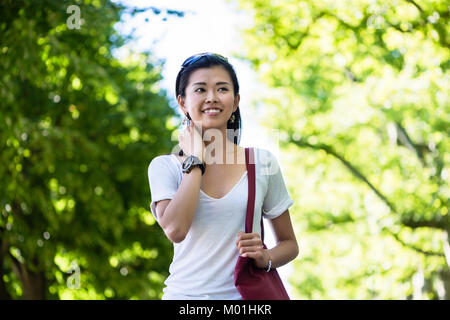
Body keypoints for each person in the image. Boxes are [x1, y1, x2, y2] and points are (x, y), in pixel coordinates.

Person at [148, 52, 299, 300]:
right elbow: (175, 230)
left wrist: (267, 257)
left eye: (222, 89)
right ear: (183, 102)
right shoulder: (165, 167)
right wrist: (196, 159)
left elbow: (289, 244)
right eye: (200, 90)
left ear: (235, 101)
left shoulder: (261, 163)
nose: (211, 98)